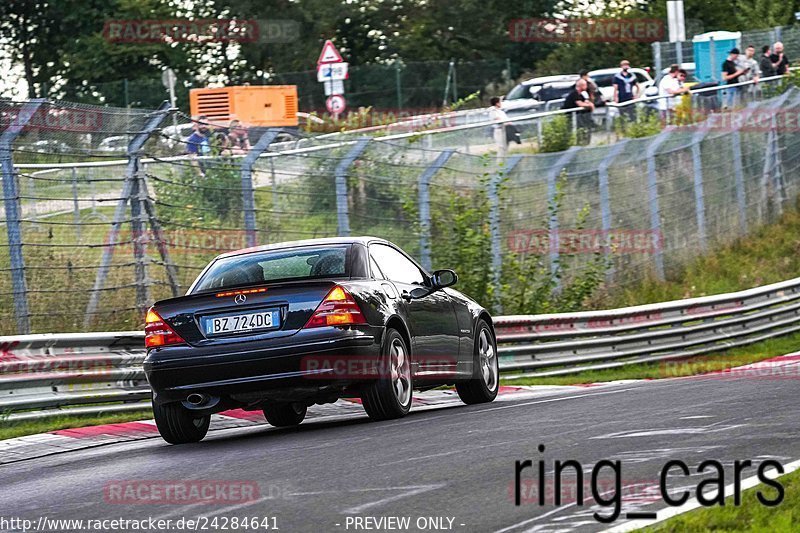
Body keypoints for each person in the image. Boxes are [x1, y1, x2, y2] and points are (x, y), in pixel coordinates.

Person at [562, 78, 595, 145]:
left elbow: (585, 101)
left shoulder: (581, 94)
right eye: (585, 85)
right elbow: (580, 104)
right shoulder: (575, 93)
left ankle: (583, 142)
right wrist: (590, 106)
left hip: (577, 117)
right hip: (570, 117)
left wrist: (589, 103)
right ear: (581, 86)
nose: (586, 87)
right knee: (571, 131)